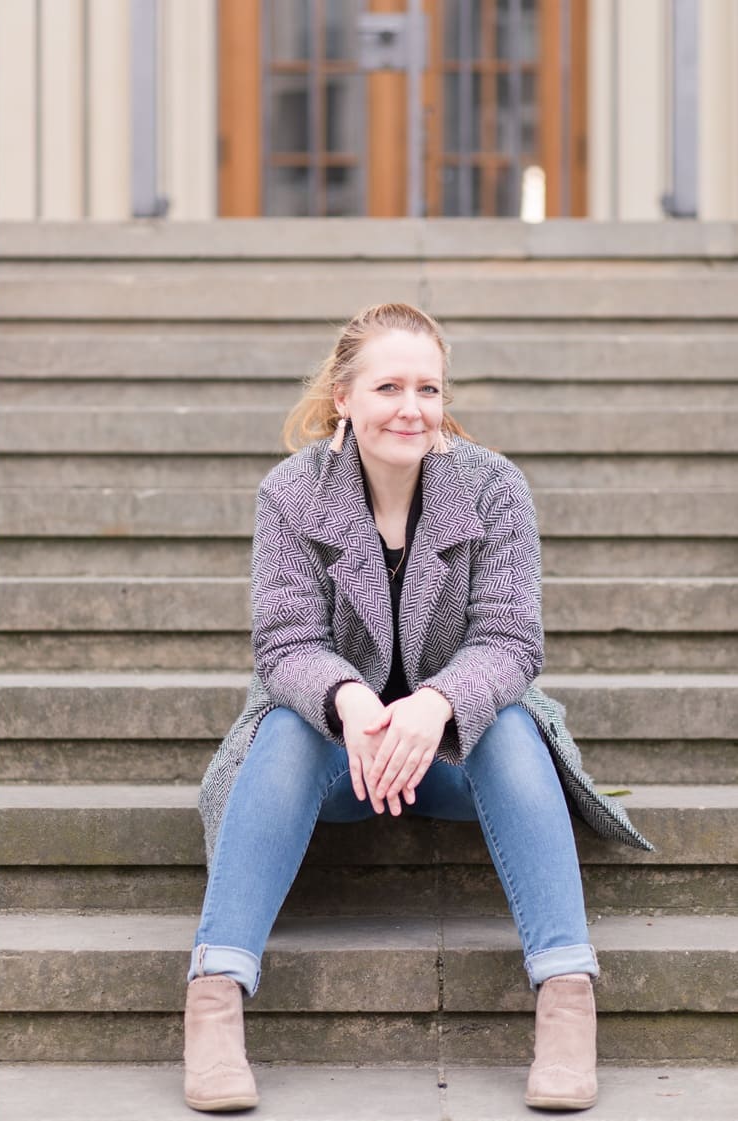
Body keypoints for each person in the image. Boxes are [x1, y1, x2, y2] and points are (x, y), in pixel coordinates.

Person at [183, 303, 651, 1113]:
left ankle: (568, 995)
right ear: (343, 397)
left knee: (508, 718)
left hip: (456, 764)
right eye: (389, 386)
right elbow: (284, 643)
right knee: (289, 721)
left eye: (427, 388)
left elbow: (511, 638)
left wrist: (436, 704)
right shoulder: (291, 494)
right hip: (336, 764)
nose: (411, 407)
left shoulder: (493, 485)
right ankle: (215, 997)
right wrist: (353, 701)